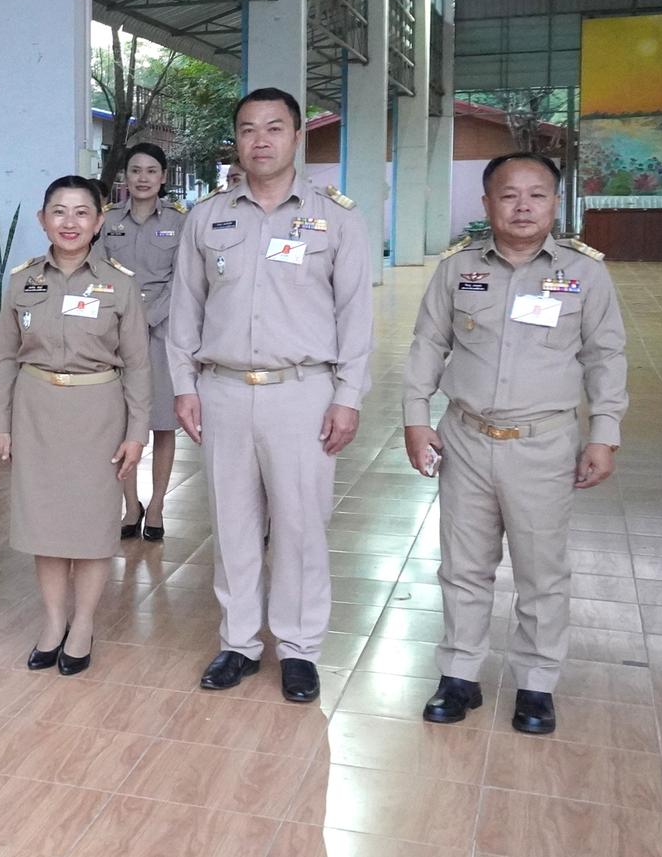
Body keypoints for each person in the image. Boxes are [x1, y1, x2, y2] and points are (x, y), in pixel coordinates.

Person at [405, 152, 628, 735]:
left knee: (541, 572)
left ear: (556, 203)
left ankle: (537, 682)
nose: (523, 206)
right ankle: (459, 674)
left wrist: (604, 433)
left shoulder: (585, 273)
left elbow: (606, 356)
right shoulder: (457, 270)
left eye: (537, 195)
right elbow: (428, 343)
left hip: (544, 443)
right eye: (509, 195)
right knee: (463, 566)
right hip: (466, 438)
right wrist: (414, 417)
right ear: (487, 204)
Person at [168, 87, 372, 703]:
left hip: (302, 392)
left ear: (297, 135)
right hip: (223, 389)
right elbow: (185, 310)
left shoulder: (335, 218)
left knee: (301, 524)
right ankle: (238, 642)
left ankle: (300, 648)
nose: (261, 140)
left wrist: (349, 396)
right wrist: (184, 386)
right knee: (231, 523)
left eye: (274, 128)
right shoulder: (207, 218)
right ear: (237, 139)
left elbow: (355, 314)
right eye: (249, 129)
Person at [0, 176, 150, 676]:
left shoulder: (119, 283)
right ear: (42, 220)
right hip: (36, 409)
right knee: (46, 525)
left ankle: (83, 625)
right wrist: (2, 421)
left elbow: (139, 364)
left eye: (82, 212)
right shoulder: (21, 280)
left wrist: (136, 432)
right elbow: (2, 357)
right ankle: (53, 622)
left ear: (99, 222)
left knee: (90, 525)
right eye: (58, 211)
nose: (70, 222)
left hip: (98, 412)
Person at [101, 142, 189, 541]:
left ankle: (156, 505)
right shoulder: (107, 221)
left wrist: (148, 317)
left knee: (163, 424)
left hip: (162, 332)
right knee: (122, 422)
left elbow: (182, 279)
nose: (142, 178)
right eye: (135, 170)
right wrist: (121, 319)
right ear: (125, 176)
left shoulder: (178, 222)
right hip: (115, 335)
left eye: (151, 171)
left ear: (163, 177)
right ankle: (130, 504)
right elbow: (100, 273)